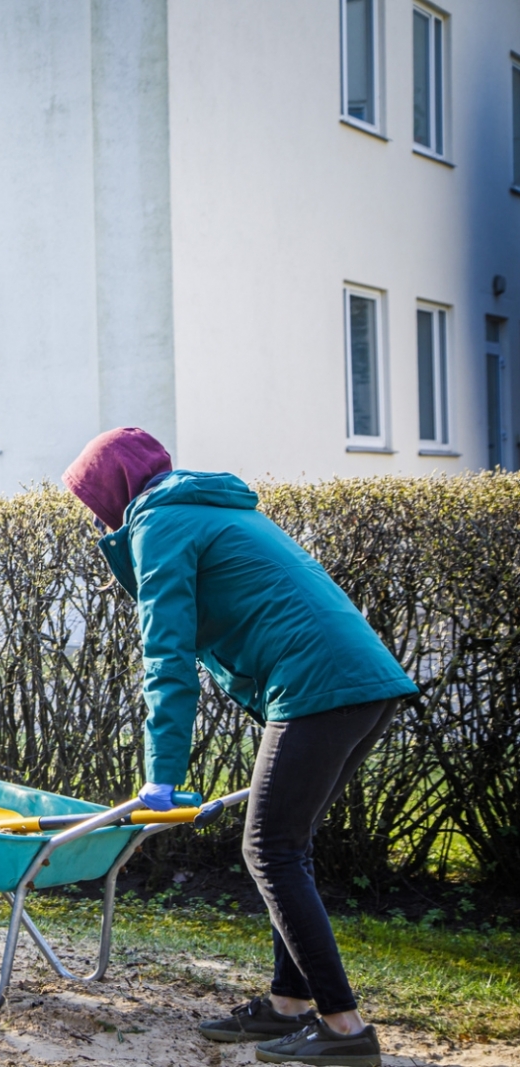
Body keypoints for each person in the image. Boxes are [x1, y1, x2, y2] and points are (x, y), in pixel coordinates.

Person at [62, 428, 417, 1067]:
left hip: (321, 685)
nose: (94, 515)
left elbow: (166, 657)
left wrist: (161, 776)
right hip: (360, 682)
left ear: (112, 491)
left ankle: (344, 1028)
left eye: (91, 500)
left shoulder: (161, 524)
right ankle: (289, 1004)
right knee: (288, 848)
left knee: (269, 849)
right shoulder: (207, 506)